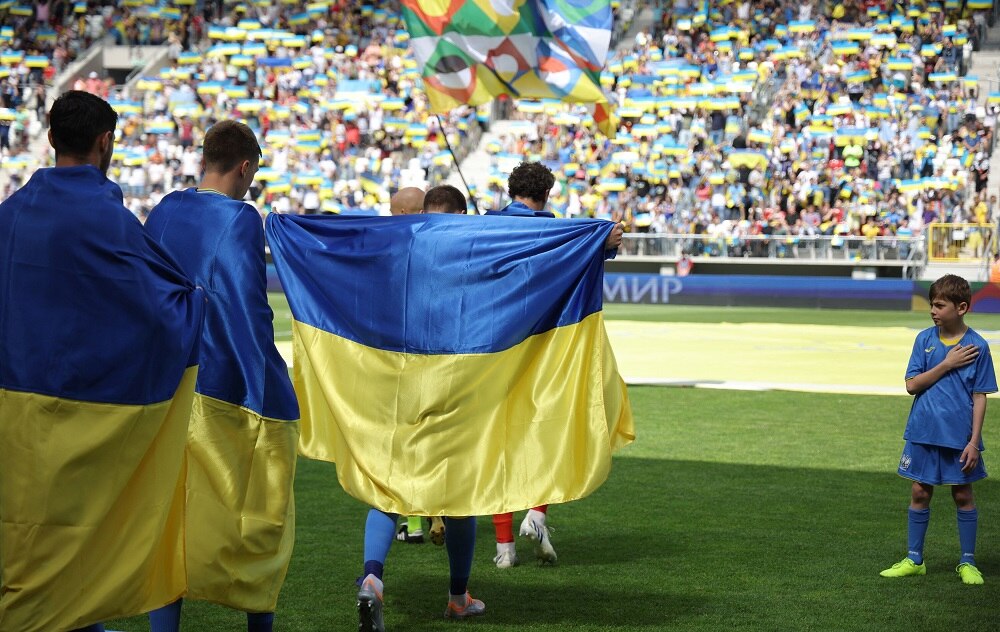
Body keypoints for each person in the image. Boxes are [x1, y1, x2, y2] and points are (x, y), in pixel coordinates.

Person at [0, 90, 203, 632]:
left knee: (22, 546)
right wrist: (199, 301)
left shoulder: (10, 215)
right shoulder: (110, 223)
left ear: (50, 141)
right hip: (83, 414)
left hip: (12, 410)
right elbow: (165, 312)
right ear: (104, 142)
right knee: (72, 541)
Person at [144, 120, 299, 632]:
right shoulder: (241, 219)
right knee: (258, 509)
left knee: (168, 522)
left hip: (163, 383)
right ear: (245, 166)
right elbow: (250, 309)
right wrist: (269, 380)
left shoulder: (165, 208)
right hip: (219, 385)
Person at [357, 184, 484, 632]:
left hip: (398, 386)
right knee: (459, 496)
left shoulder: (390, 252)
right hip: (455, 388)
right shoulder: (473, 253)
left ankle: (372, 576)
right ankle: (456, 597)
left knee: (387, 488)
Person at [485, 161, 623, 568]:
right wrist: (610, 235)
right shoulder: (560, 233)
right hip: (547, 352)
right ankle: (538, 514)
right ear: (547, 193)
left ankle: (505, 549)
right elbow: (608, 238)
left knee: (497, 447)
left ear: (512, 190)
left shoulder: (486, 227)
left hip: (492, 351)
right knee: (546, 436)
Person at [880, 274, 996, 585]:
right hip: (923, 432)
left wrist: (974, 442)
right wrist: (946, 363)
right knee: (919, 492)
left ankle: (968, 562)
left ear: (961, 307)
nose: (933, 310)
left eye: (939, 305)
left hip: (959, 437)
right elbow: (911, 385)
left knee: (963, 495)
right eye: (931, 304)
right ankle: (915, 559)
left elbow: (980, 396)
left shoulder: (978, 346)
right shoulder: (924, 340)